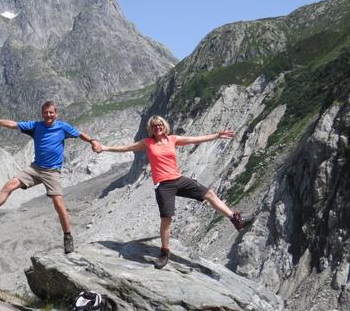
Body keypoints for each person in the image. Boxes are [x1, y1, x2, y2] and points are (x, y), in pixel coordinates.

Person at [96, 115, 251, 269]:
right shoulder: (147, 143)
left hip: (178, 179)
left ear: (164, 126)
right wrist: (105, 148)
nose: (158, 127)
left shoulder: (172, 139)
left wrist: (217, 135)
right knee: (166, 219)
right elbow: (127, 148)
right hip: (163, 185)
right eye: (155, 125)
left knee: (209, 194)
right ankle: (164, 253)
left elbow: (195, 139)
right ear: (151, 128)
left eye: (160, 125)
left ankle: (235, 219)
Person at [0, 101, 101, 254]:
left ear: (56, 113)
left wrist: (92, 141)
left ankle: (67, 237)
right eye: (46, 113)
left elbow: (80, 134)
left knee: (59, 204)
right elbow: (12, 125)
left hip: (52, 172)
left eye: (51, 112)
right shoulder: (35, 126)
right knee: (11, 184)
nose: (48, 115)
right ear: (42, 113)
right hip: (36, 168)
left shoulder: (63, 127)